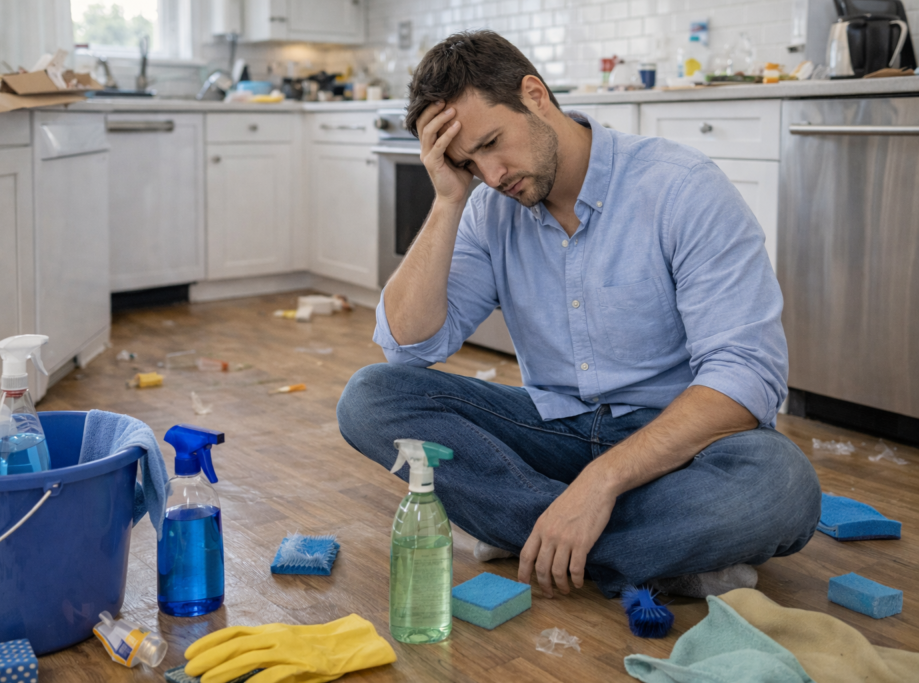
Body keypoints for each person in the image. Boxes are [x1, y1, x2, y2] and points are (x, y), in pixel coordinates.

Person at [337, 30, 820, 599]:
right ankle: (646, 551)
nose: (491, 175)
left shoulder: (682, 188)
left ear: (535, 95)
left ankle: (535, 531)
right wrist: (447, 199)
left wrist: (602, 482)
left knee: (781, 487)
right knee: (371, 397)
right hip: (553, 429)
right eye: (469, 161)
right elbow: (409, 348)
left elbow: (746, 377)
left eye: (492, 142)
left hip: (677, 445)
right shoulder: (487, 206)